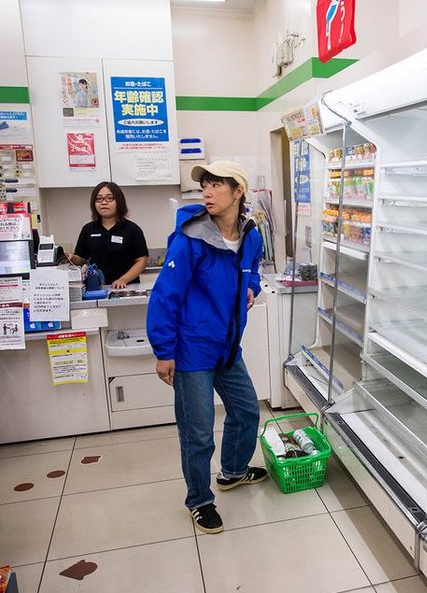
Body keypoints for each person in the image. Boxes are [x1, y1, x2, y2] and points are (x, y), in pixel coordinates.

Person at [146, 160, 267, 534]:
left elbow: (254, 271)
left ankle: (231, 471)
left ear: (238, 192)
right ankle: (199, 500)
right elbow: (165, 295)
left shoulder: (251, 235)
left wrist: (253, 287)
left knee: (247, 411)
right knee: (197, 432)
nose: (207, 192)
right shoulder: (191, 238)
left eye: (217, 185)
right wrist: (164, 351)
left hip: (229, 347)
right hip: (192, 349)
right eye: (205, 186)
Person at [68, 182, 148, 289]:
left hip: (128, 287)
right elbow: (81, 258)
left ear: (119, 201)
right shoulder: (88, 229)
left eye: (109, 198)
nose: (103, 203)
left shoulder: (132, 229)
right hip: (97, 287)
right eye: (99, 199)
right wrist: (72, 258)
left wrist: (123, 280)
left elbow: (142, 261)